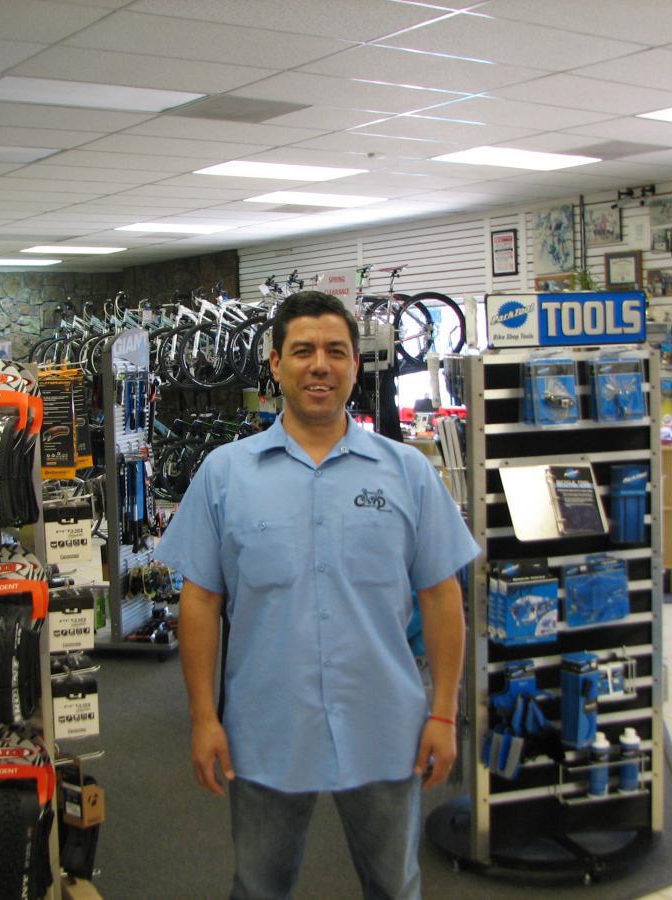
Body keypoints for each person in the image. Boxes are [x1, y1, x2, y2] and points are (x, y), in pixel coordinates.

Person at [154, 291, 481, 899]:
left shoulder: (406, 472)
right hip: (266, 727)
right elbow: (199, 602)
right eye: (302, 351)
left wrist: (443, 711)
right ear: (275, 364)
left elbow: (442, 597)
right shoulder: (225, 473)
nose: (320, 365)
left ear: (356, 365)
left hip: (386, 726)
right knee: (258, 888)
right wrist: (203, 718)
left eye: (336, 351)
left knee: (394, 888)